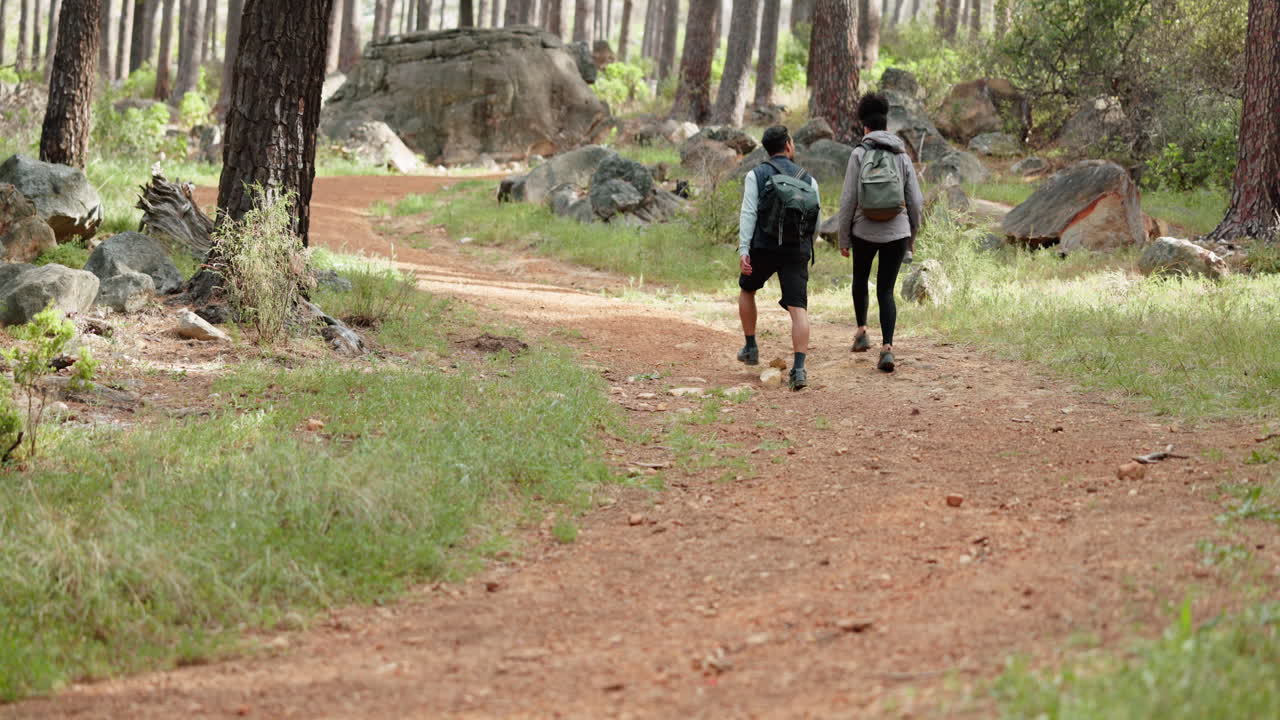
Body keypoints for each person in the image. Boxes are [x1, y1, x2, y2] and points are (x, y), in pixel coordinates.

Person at [836, 94, 924, 373]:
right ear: (886, 124)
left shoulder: (859, 154)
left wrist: (843, 238)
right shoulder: (901, 155)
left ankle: (862, 331)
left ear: (865, 127)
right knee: (886, 290)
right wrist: (911, 237)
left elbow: (848, 200)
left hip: (863, 231)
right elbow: (915, 201)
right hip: (897, 233)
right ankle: (887, 349)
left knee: (860, 279)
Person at [736, 126, 822, 391]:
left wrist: (744, 249)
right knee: (798, 308)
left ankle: (751, 347)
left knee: (747, 289)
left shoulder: (756, 174)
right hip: (796, 249)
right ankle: (799, 369)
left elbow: (749, 213)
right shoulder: (808, 179)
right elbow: (816, 220)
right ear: (788, 145)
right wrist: (805, 244)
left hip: (763, 246)